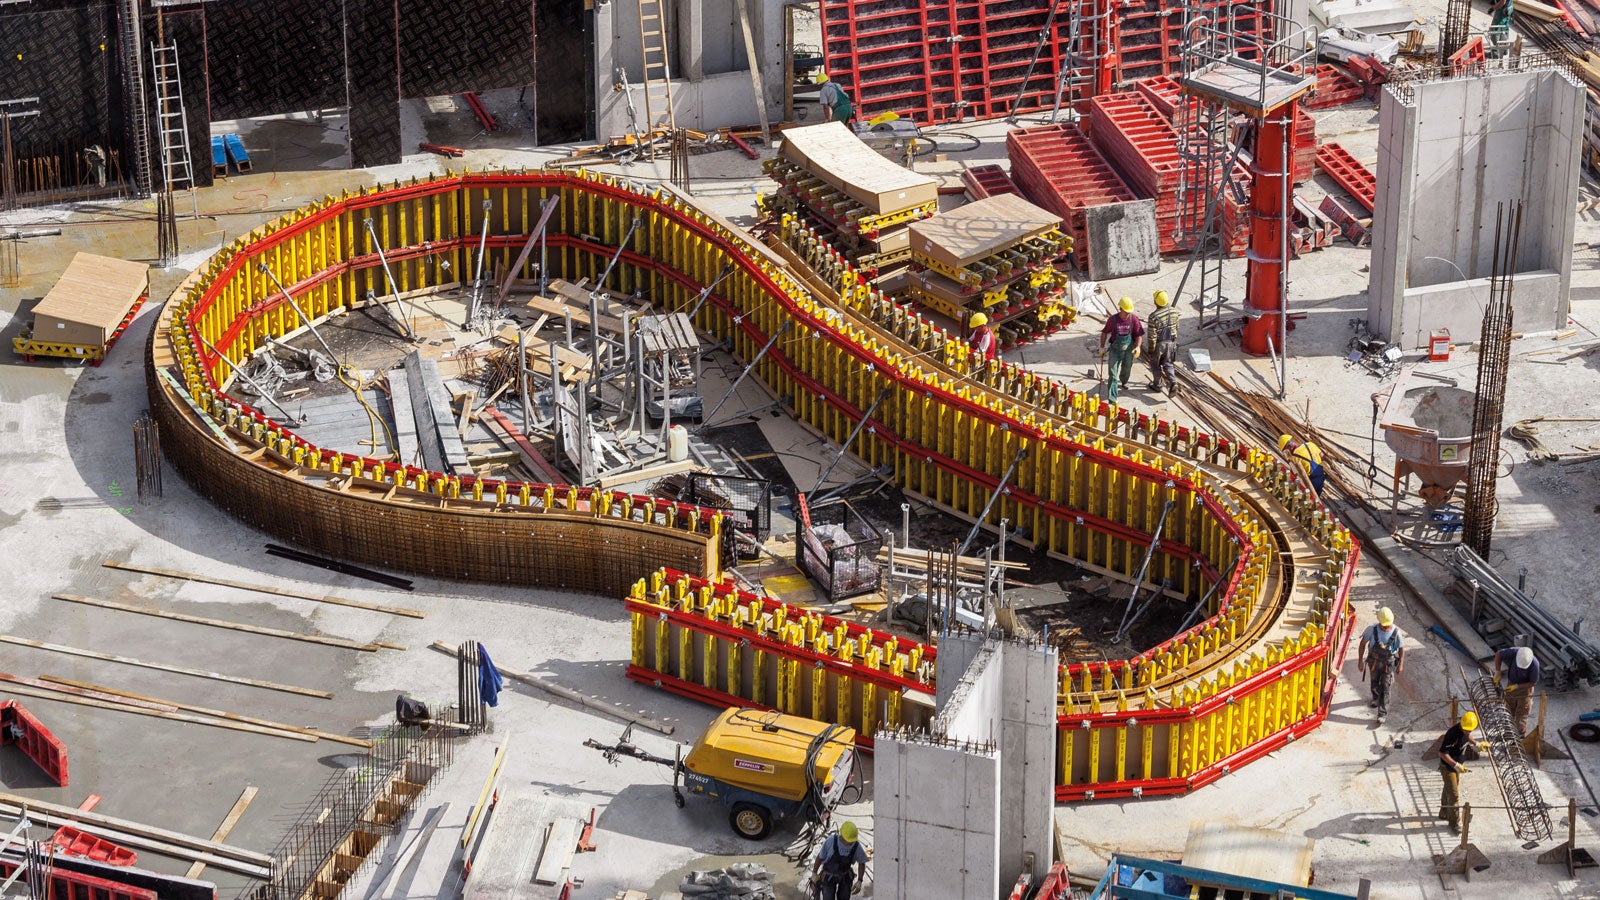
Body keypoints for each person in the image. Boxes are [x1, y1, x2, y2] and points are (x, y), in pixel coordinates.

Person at [1358, 606, 1405, 719]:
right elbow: (1362, 644)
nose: (1386, 627)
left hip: (1388, 664)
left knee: (1385, 687)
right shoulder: (1371, 629)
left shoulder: (1396, 632)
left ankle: (1382, 714)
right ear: (1379, 622)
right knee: (1374, 681)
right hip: (1373, 661)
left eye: (1387, 625)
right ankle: (1375, 697)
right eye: (1384, 626)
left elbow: (1401, 648)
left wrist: (1401, 664)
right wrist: (1360, 661)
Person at [1438, 712, 1480, 834]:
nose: (1468, 733)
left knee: (1449, 789)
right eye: (1467, 730)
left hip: (1457, 767)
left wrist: (1477, 743)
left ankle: (1444, 813)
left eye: (1470, 731)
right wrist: (1455, 765)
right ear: (1462, 726)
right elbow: (1442, 753)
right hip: (1448, 768)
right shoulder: (1452, 734)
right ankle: (1454, 823)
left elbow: (1467, 737)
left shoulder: (1466, 730)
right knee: (1454, 795)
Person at [1099, 297, 1144, 404]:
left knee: (1127, 367)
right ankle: (1112, 399)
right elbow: (1104, 332)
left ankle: (1124, 381)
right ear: (1120, 309)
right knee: (1112, 374)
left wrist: (1137, 347)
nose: (1127, 314)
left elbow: (1139, 335)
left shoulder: (1134, 319)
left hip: (1129, 349)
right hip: (1115, 350)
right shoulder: (1113, 320)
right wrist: (1102, 347)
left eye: (1129, 312)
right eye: (1126, 311)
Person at [811, 821, 869, 899]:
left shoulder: (856, 846)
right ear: (842, 836)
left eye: (852, 841)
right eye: (849, 840)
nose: (851, 843)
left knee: (844, 897)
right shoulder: (831, 841)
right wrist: (814, 873)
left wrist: (859, 881)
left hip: (845, 875)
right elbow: (820, 857)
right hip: (828, 875)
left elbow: (861, 863)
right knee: (828, 897)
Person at [1495, 645, 1541, 734]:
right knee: (1509, 705)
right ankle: (1509, 726)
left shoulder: (1535, 664)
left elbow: (1533, 683)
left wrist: (1517, 687)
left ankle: (1520, 731)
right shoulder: (1514, 652)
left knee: (1522, 711)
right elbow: (1498, 654)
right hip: (1511, 683)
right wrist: (1497, 671)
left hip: (1525, 688)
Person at [1145, 289, 1180, 395]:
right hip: (1171, 342)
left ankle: (1158, 385)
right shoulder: (1174, 311)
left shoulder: (1153, 316)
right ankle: (1173, 382)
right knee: (1168, 363)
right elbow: (1177, 327)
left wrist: (1151, 350)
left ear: (1155, 302)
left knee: (1155, 364)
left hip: (1160, 344)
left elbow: (1152, 336)